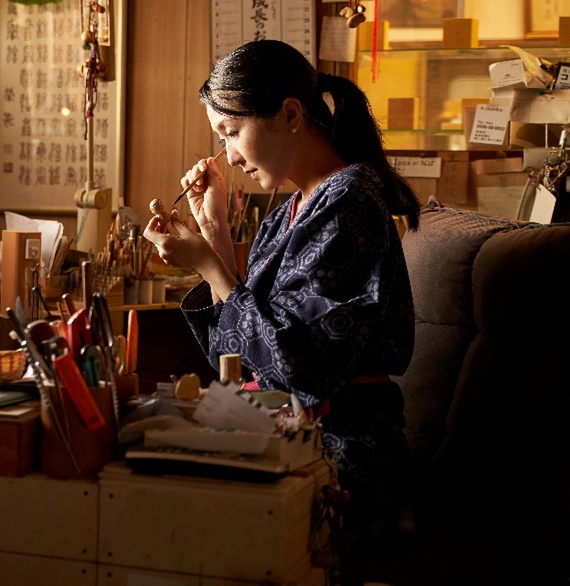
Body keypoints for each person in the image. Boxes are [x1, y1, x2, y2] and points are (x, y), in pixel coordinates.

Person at [142, 39, 420, 541]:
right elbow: (238, 359)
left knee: (165, 511)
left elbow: (298, 366)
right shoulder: (285, 215)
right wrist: (216, 234)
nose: (229, 156)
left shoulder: (350, 201)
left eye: (232, 132)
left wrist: (208, 266)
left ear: (290, 115)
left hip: (342, 451)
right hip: (288, 433)